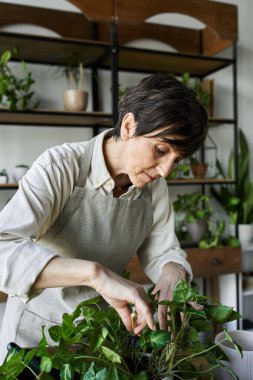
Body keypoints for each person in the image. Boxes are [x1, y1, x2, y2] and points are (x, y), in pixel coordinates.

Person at [0, 73, 208, 363]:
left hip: (103, 344)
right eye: (161, 150)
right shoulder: (61, 166)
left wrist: (173, 271)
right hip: (35, 344)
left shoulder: (153, 187)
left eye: (176, 159)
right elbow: (2, 248)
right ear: (128, 126)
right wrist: (94, 274)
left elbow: (163, 250)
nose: (165, 171)